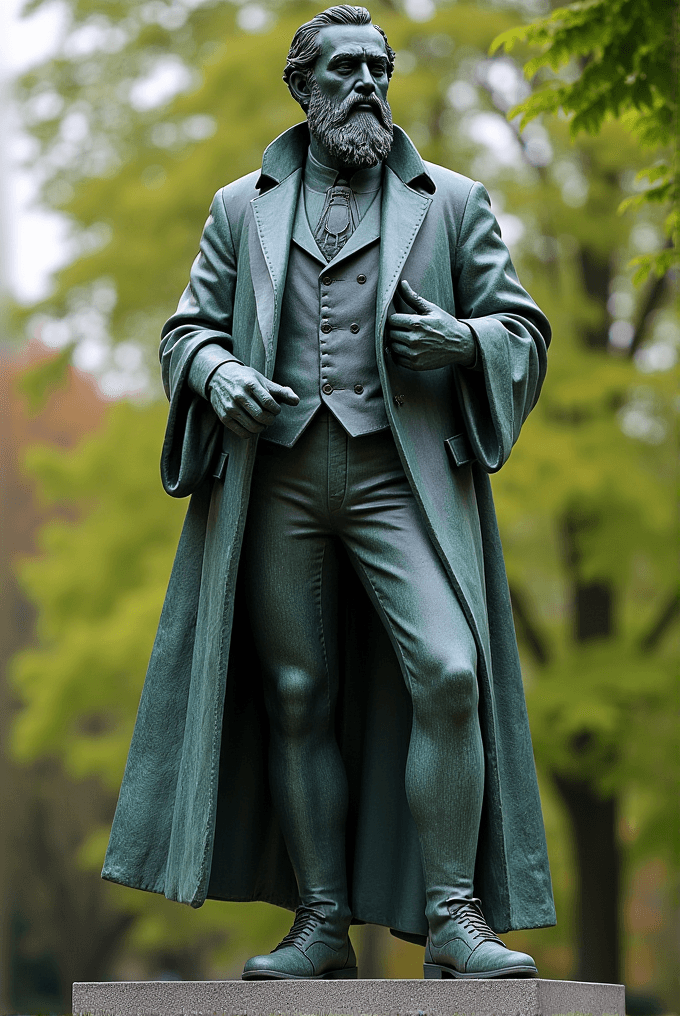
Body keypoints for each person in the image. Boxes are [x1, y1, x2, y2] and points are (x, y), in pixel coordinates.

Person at [102, 5, 555, 981]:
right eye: (342, 71)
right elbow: (187, 330)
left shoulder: (451, 203)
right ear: (301, 90)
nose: (364, 86)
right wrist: (218, 376)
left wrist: (463, 340)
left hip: (403, 479)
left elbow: (519, 327)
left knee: (447, 670)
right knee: (296, 693)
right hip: (283, 479)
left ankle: (450, 916)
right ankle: (319, 923)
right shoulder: (239, 207)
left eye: (376, 69)